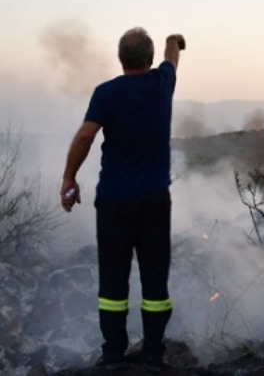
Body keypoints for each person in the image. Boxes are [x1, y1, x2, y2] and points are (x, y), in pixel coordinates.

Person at [60, 27, 185, 371]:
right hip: (155, 201)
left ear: (120, 59)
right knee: (155, 280)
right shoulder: (163, 84)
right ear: (149, 59)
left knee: (113, 280)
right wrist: (175, 40)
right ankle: (153, 355)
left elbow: (86, 135)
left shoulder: (106, 93)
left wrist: (69, 178)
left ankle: (113, 355)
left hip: (114, 201)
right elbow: (172, 55)